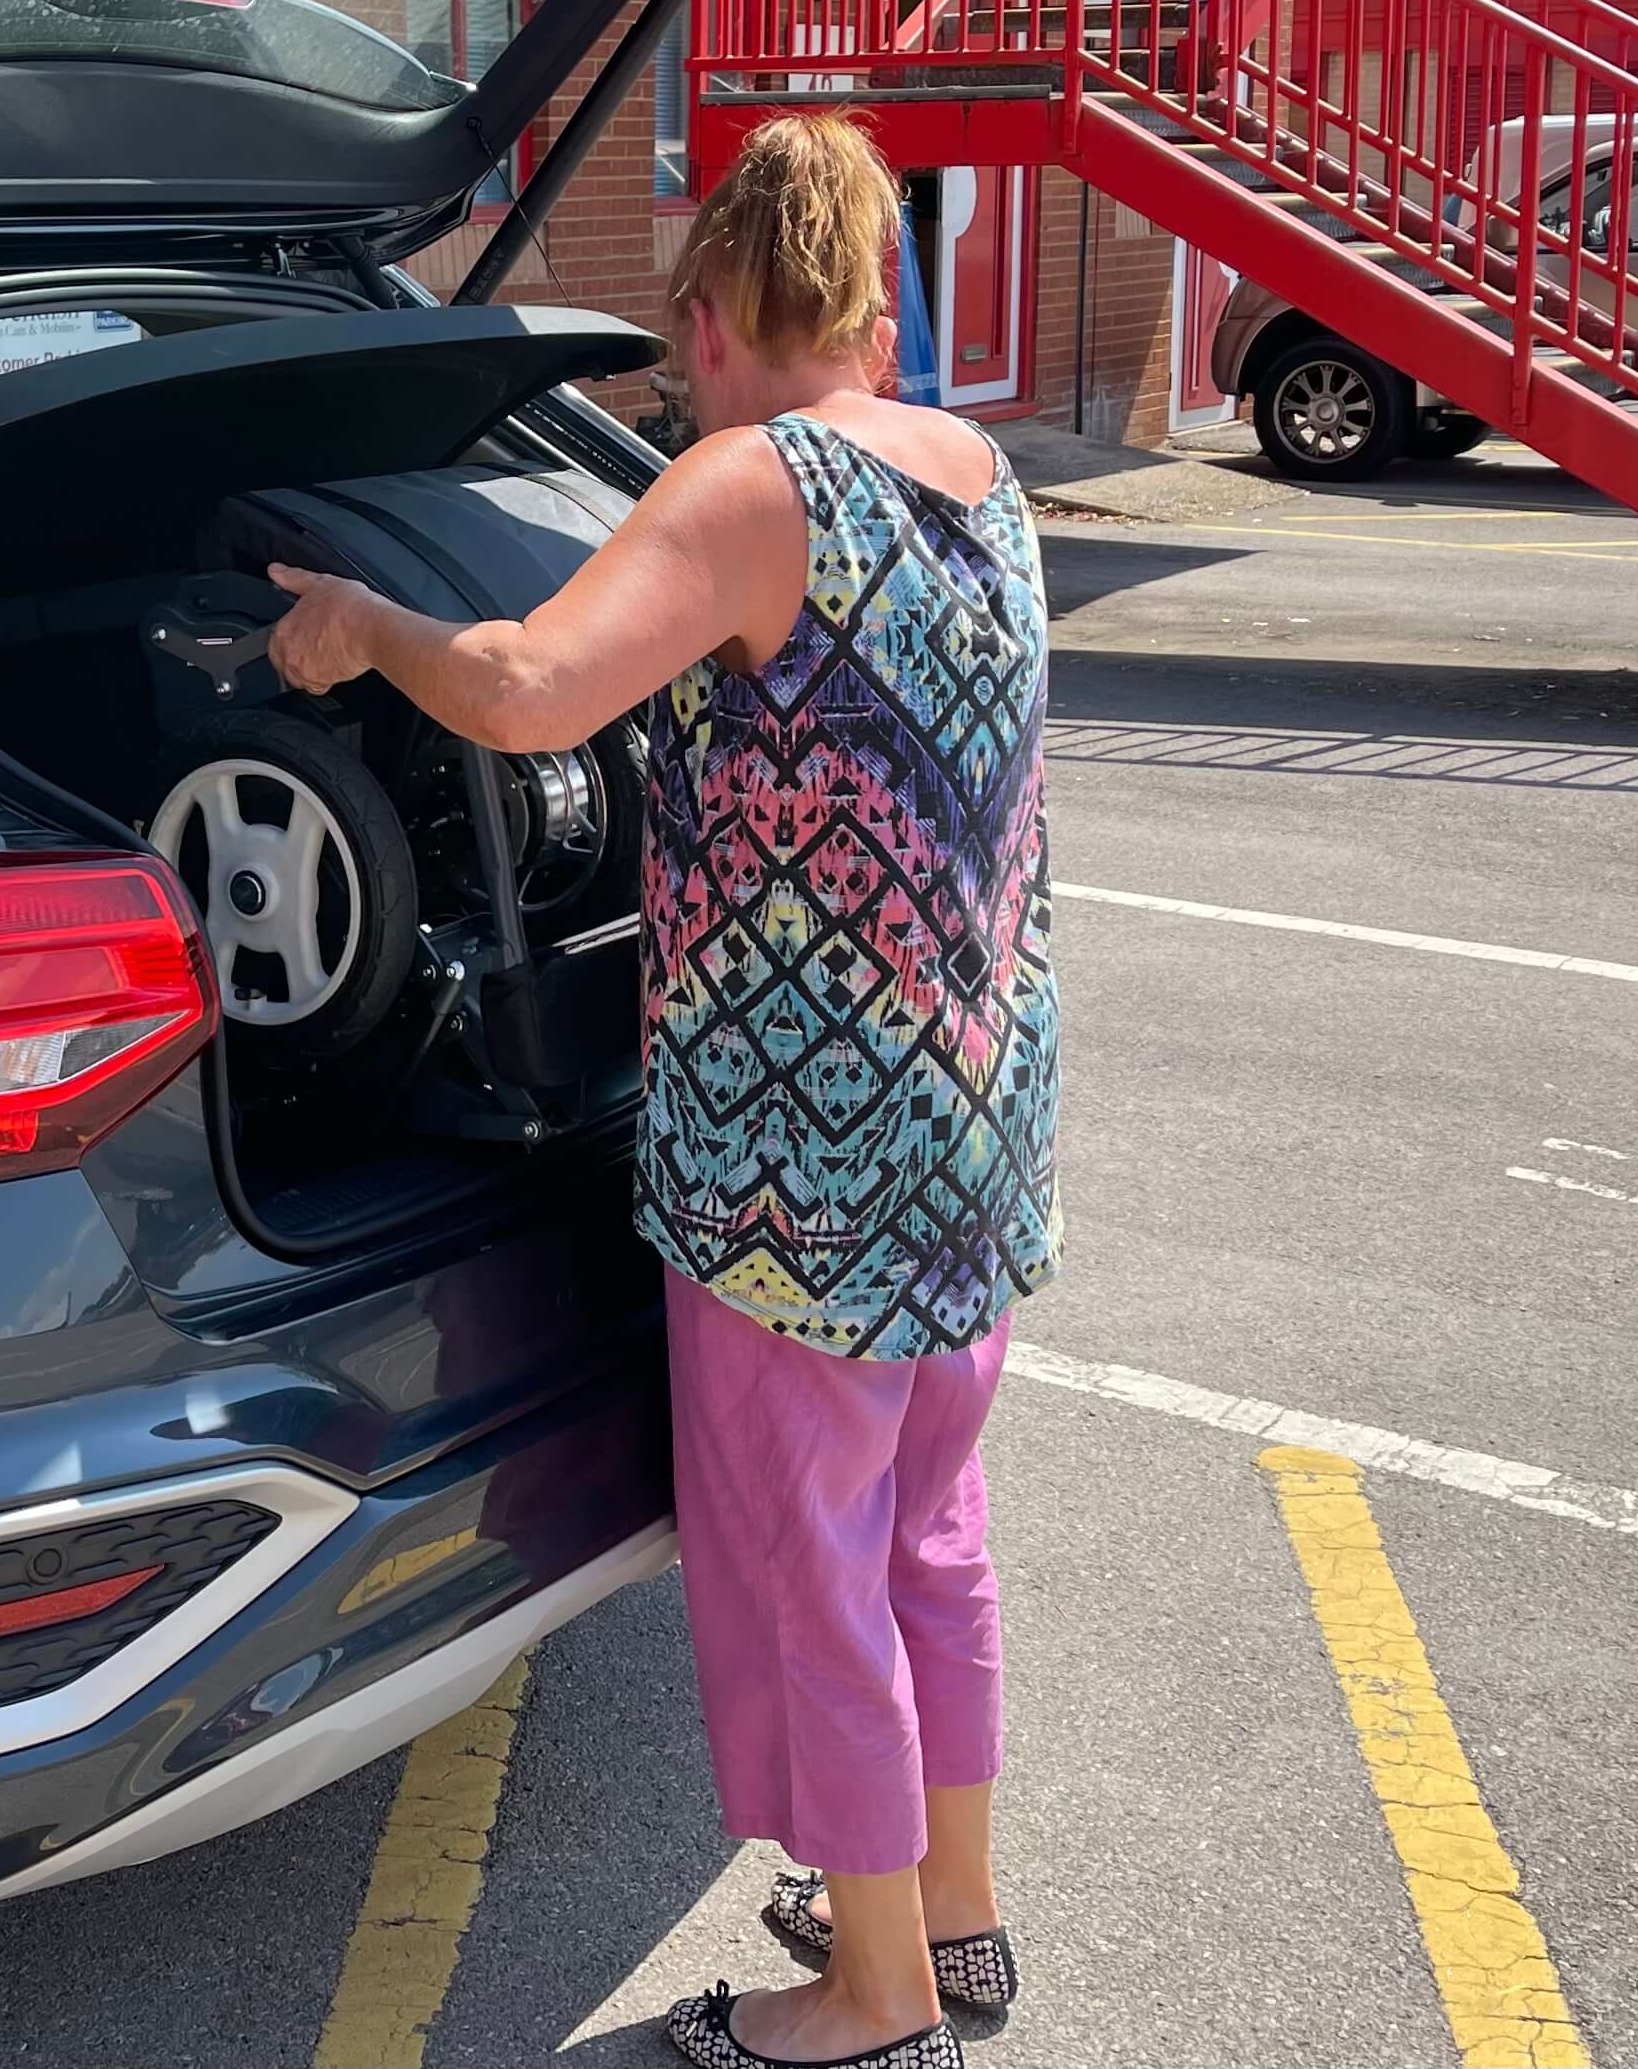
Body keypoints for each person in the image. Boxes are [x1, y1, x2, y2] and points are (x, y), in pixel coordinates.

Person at [264, 114, 1061, 2069]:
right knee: (922, 1536)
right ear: (871, 296)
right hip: (970, 1124)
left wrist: (360, 628)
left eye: (675, 342)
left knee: (810, 1569)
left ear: (712, 311)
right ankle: (945, 1920)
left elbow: (530, 686)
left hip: (803, 1164)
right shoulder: (978, 475)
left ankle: (865, 2005)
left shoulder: (742, 486)